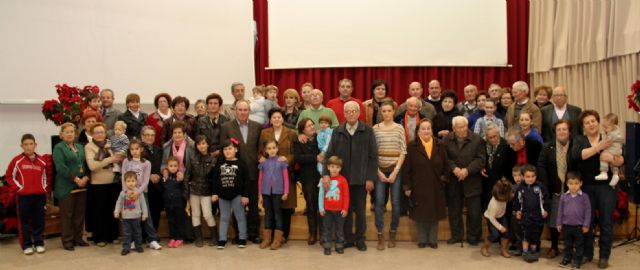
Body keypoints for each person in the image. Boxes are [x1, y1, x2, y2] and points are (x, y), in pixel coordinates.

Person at [322, 101, 378, 251]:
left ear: (359, 113)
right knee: (343, 212)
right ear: (344, 114)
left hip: (361, 180)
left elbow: (373, 157)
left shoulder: (367, 130)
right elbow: (329, 155)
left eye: (354, 111)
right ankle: (346, 238)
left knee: (360, 212)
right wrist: (326, 174)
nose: (351, 113)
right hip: (342, 181)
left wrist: (370, 178)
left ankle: (360, 238)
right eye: (348, 111)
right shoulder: (337, 131)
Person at [571, 110, 624, 268]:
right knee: (587, 221)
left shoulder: (608, 136)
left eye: (593, 121)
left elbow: (621, 159)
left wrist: (613, 159)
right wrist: (598, 147)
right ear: (583, 126)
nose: (591, 124)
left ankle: (604, 256)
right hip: (586, 186)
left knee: (606, 222)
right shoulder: (579, 139)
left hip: (607, 187)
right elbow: (578, 155)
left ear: (598, 122)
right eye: (587, 122)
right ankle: (587, 253)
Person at [220, 100, 262, 243]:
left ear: (249, 111)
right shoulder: (226, 127)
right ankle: (239, 234)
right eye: (240, 110)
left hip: (252, 171)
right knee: (237, 206)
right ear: (235, 111)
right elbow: (223, 149)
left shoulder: (257, 127)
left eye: (245, 110)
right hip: (234, 174)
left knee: (254, 205)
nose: (243, 112)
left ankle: (253, 233)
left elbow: (260, 148)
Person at [402, 119, 448, 249]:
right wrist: (407, 186)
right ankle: (422, 239)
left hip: (436, 185)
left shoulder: (440, 145)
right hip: (418, 185)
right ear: (418, 131)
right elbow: (406, 169)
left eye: (428, 128)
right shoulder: (411, 146)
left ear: (432, 130)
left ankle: (433, 240)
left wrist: (444, 180)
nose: (426, 131)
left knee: (434, 213)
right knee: (420, 213)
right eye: (423, 128)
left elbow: (446, 164)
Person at [443, 116, 486, 245]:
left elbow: (481, 159)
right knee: (454, 210)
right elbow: (445, 158)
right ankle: (456, 235)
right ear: (453, 128)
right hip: (454, 179)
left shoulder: (477, 139)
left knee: (474, 212)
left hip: (472, 179)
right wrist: (454, 169)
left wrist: (467, 170)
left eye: (464, 127)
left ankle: (474, 237)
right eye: (458, 128)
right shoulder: (446, 140)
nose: (461, 130)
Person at [6, 134, 51, 255]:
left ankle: (39, 243)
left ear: (35, 145)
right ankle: (27, 245)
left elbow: (46, 177)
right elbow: (9, 176)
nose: (28, 147)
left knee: (39, 220)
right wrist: (18, 188)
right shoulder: (16, 160)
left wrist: (44, 188)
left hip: (39, 196)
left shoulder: (42, 160)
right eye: (26, 144)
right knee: (24, 222)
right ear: (22, 146)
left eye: (31, 144)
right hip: (23, 197)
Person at [259, 108, 298, 244]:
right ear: (270, 119)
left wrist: (287, 159)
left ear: (283, 119)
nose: (276, 119)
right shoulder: (264, 133)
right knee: (270, 209)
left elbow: (295, 152)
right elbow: (260, 151)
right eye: (274, 117)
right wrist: (261, 158)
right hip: (269, 173)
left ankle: (282, 236)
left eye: (279, 117)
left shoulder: (291, 133)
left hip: (285, 173)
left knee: (286, 206)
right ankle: (269, 237)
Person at [536, 119, 574, 258]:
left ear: (569, 131)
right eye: (559, 129)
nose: (562, 132)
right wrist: (546, 184)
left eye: (564, 129)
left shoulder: (575, 145)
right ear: (555, 132)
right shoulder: (547, 147)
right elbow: (540, 165)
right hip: (555, 188)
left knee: (572, 219)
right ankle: (554, 246)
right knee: (554, 219)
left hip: (573, 189)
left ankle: (571, 247)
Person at [372, 101, 406, 250]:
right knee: (379, 202)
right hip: (379, 170)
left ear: (394, 112)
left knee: (396, 202)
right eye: (383, 111)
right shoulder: (375, 129)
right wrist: (378, 172)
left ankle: (393, 232)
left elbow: (403, 151)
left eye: (389, 111)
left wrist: (395, 172)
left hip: (395, 170)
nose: (386, 113)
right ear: (381, 113)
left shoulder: (399, 128)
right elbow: (372, 153)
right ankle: (380, 234)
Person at [52, 123, 90, 251]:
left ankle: (78, 238)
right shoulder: (59, 148)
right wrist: (76, 179)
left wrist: (85, 177)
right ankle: (67, 240)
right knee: (67, 214)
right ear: (61, 134)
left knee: (79, 214)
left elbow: (86, 163)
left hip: (82, 185)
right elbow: (61, 167)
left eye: (72, 132)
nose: (70, 134)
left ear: (75, 133)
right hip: (66, 186)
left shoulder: (80, 147)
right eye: (67, 132)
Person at [85, 123, 123, 247]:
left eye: (102, 132)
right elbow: (93, 166)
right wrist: (110, 160)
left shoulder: (111, 144)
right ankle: (99, 237)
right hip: (98, 184)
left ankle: (113, 235)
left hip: (113, 182)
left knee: (112, 210)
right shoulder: (89, 147)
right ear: (92, 134)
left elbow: (119, 158)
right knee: (99, 212)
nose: (100, 134)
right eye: (96, 132)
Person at [122, 139, 162, 250]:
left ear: (141, 149)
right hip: (129, 195)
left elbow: (145, 181)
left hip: (141, 195)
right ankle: (133, 240)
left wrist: (138, 192)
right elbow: (123, 177)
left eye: (137, 149)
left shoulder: (146, 163)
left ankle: (152, 239)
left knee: (146, 216)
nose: (134, 151)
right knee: (132, 218)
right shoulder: (126, 161)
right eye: (132, 149)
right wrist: (127, 192)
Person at [211, 139, 250, 249]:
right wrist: (214, 193)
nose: (227, 151)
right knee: (224, 217)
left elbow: (246, 181)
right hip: (223, 196)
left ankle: (242, 238)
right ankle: (222, 239)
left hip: (237, 195)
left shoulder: (242, 164)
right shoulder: (219, 164)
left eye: (230, 148)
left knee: (240, 217)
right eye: (225, 149)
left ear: (236, 150)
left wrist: (245, 195)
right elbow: (215, 180)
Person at [184, 136, 217, 247]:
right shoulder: (192, 158)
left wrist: (214, 193)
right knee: (195, 214)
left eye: (203, 143)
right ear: (196, 146)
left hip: (207, 191)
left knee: (207, 214)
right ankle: (198, 238)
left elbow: (215, 178)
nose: (201, 146)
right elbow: (187, 175)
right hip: (193, 190)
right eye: (199, 144)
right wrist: (186, 193)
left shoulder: (213, 159)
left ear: (207, 144)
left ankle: (214, 237)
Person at [514, 164, 550, 263]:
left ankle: (533, 252)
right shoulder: (520, 188)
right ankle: (525, 252)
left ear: (536, 176)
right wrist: (517, 211)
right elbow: (517, 201)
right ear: (523, 177)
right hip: (525, 216)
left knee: (535, 235)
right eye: (528, 177)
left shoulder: (540, 187)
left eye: (533, 176)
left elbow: (546, 199)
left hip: (537, 216)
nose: (530, 179)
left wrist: (546, 210)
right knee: (526, 234)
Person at [294, 118, 322, 245]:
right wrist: (315, 158)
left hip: (321, 176)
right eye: (308, 126)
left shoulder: (321, 138)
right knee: (311, 206)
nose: (312, 127)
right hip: (307, 178)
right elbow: (298, 158)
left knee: (322, 205)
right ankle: (312, 233)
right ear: (303, 130)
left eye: (312, 124)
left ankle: (323, 233)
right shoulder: (299, 141)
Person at [258, 140, 289, 250]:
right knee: (268, 214)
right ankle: (267, 239)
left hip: (278, 192)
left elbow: (286, 178)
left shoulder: (282, 162)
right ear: (266, 150)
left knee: (277, 214)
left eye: (273, 148)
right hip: (266, 192)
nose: (271, 150)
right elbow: (260, 180)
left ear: (277, 149)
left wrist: (286, 191)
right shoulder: (263, 163)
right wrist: (260, 194)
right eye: (269, 148)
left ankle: (277, 240)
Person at [557, 172, 592, 269]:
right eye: (571, 183)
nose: (573, 186)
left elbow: (588, 212)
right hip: (566, 226)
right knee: (567, 244)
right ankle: (567, 258)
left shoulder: (584, 197)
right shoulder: (564, 196)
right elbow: (560, 211)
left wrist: (586, 225)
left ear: (581, 183)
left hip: (579, 227)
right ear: (567, 184)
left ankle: (577, 260)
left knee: (579, 245)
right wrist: (559, 223)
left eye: (576, 183)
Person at [139, 126, 164, 249]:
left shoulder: (159, 149)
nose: (150, 137)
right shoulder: (138, 150)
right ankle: (144, 235)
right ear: (142, 136)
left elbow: (162, 165)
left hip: (157, 186)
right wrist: (149, 177)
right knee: (144, 212)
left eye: (152, 135)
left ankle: (153, 235)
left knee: (155, 211)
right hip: (144, 186)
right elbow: (137, 167)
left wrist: (159, 175)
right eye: (147, 135)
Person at [319, 156, 350, 256]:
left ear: (340, 168)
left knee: (339, 229)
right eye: (332, 166)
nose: (334, 169)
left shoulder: (343, 180)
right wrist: (321, 208)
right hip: (327, 210)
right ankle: (327, 246)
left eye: (337, 167)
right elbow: (321, 195)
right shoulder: (324, 180)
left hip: (339, 210)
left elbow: (346, 195)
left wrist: (345, 208)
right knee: (327, 228)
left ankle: (339, 245)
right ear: (328, 167)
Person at [114, 171, 148, 255]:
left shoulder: (139, 193)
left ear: (136, 182)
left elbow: (143, 204)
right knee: (127, 234)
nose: (131, 183)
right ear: (125, 182)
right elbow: (119, 203)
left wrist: (145, 214)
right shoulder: (123, 193)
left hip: (136, 217)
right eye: (128, 181)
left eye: (133, 181)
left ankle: (138, 246)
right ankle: (126, 247)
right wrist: (116, 211)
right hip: (126, 217)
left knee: (137, 232)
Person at [481, 178, 512, 258]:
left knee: (506, 233)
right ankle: (485, 247)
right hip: (491, 218)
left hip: (501, 215)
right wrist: (500, 227)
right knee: (495, 234)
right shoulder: (494, 204)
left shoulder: (505, 195)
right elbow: (492, 218)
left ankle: (503, 250)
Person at [481, 123, 510, 209]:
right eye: (490, 137)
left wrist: (504, 178)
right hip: (486, 182)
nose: (493, 139)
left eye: (495, 136)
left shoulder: (506, 145)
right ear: (486, 137)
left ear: (499, 134)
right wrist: (481, 168)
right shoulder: (482, 144)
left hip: (501, 183)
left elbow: (509, 164)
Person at [162, 157, 186, 248]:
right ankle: (172, 237)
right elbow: (163, 189)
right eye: (171, 166)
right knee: (171, 221)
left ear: (178, 166)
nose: (173, 168)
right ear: (167, 166)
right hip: (168, 204)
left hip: (178, 203)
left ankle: (179, 238)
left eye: (175, 166)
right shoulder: (165, 177)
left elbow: (183, 189)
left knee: (179, 221)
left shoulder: (180, 176)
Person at [595, 113, 624, 187]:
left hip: (614, 149)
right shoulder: (617, 132)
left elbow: (606, 142)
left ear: (614, 126)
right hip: (617, 151)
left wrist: (604, 134)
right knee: (612, 163)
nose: (604, 129)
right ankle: (615, 174)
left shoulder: (613, 134)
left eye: (606, 127)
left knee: (603, 156)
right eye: (603, 127)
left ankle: (604, 172)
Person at [509, 165, 525, 255]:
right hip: (514, 212)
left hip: (524, 212)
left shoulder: (525, 186)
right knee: (514, 229)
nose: (517, 178)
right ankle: (515, 244)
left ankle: (521, 248)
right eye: (515, 175)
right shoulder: (512, 187)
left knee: (521, 231)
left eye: (519, 175)